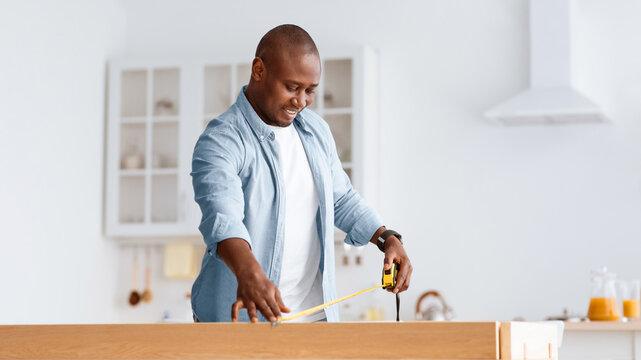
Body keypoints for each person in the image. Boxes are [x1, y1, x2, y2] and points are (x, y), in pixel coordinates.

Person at [190, 24, 412, 323]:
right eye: (292, 87)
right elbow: (222, 217)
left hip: (314, 317)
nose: (301, 101)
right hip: (242, 321)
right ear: (259, 70)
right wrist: (250, 273)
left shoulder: (316, 131)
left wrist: (386, 238)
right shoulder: (222, 139)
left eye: (310, 91)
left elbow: (341, 199)